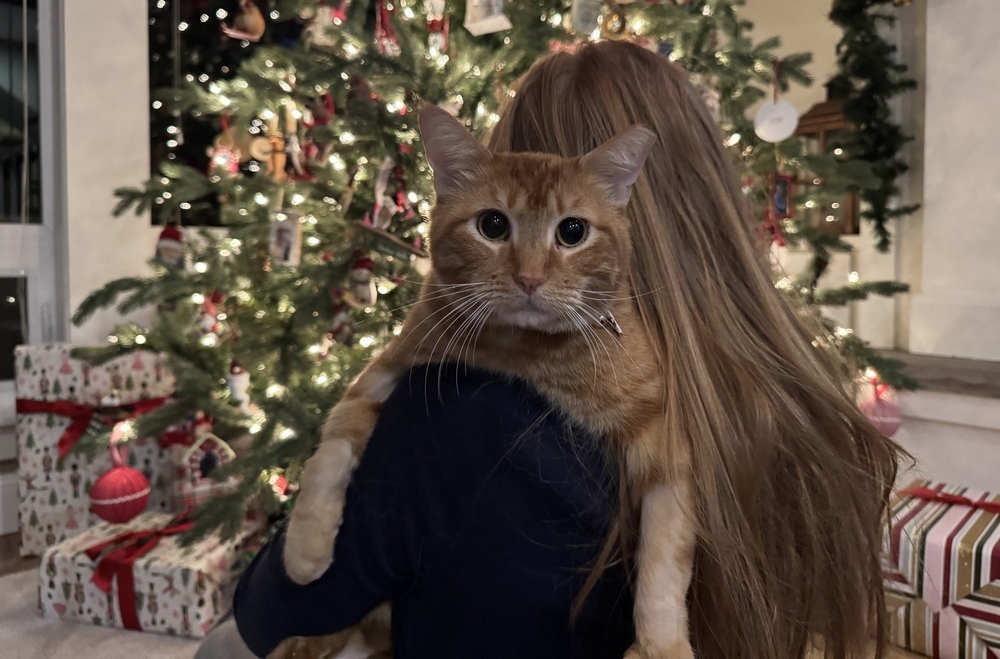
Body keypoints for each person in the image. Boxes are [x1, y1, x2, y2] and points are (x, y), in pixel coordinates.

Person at [226, 41, 899, 659]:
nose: (528, 268)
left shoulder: (460, 415)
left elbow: (269, 614)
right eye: (497, 225)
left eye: (568, 231)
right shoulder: (779, 402)